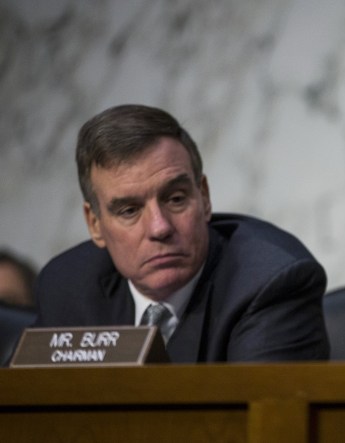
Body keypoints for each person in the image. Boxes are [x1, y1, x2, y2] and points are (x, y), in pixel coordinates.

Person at [33, 104, 329, 363]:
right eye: (129, 211)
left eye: (175, 199)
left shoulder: (269, 284)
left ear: (204, 197)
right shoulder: (68, 287)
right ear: (95, 223)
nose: (160, 227)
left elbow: (261, 423)